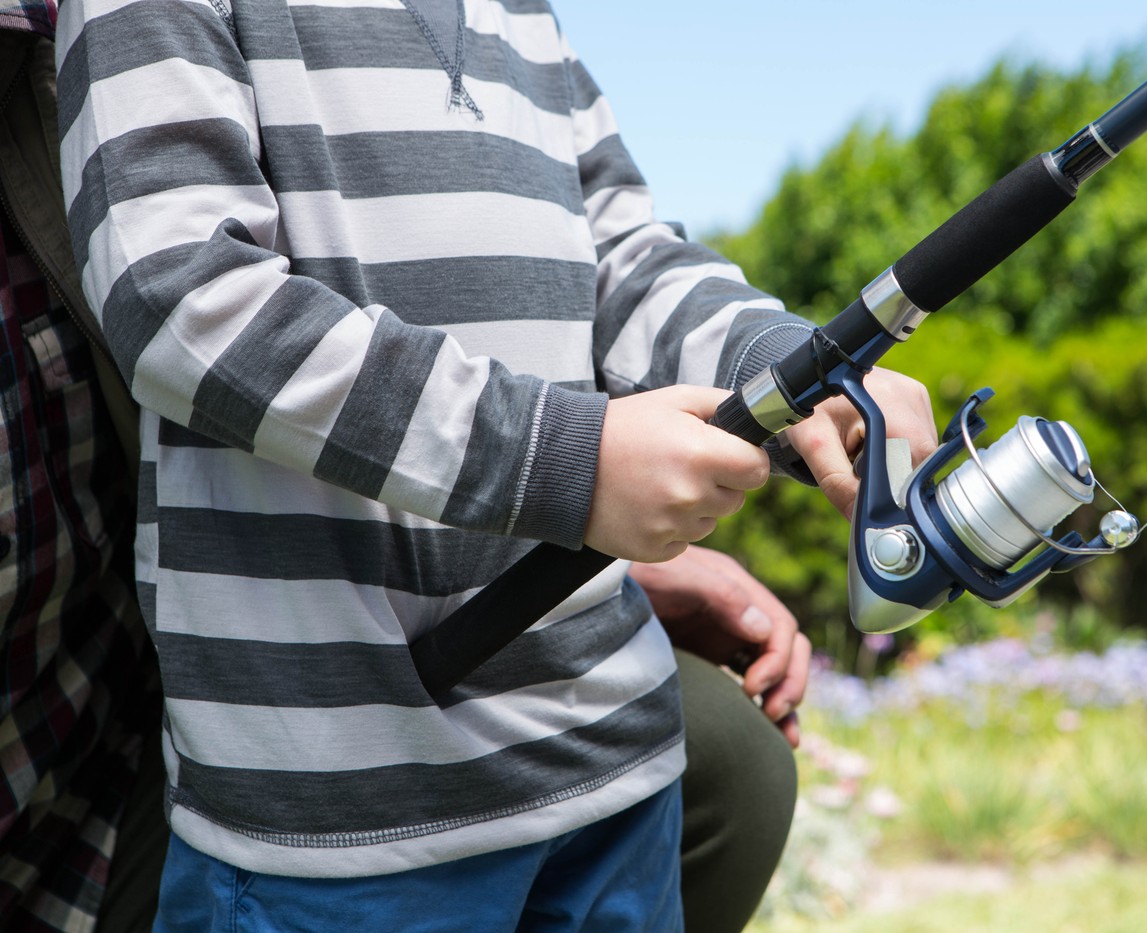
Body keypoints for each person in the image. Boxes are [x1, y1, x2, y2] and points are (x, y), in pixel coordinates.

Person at [51, 0, 937, 928]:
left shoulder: (528, 18)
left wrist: (792, 371)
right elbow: (186, 301)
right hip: (343, 827)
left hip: (616, 771)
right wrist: (572, 461)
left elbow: (626, 261)